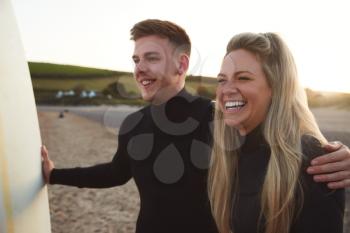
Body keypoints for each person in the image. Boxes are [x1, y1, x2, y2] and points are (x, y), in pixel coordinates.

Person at [41, 20, 350, 233]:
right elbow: (116, 172)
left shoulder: (219, 120)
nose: (140, 68)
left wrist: (338, 154)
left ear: (182, 64)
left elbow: (276, 137)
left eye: (151, 58)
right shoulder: (134, 124)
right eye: (136, 59)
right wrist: (54, 175)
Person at [208, 32, 345, 233]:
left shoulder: (313, 160)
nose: (226, 90)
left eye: (243, 78)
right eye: (222, 80)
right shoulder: (227, 149)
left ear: (276, 86)